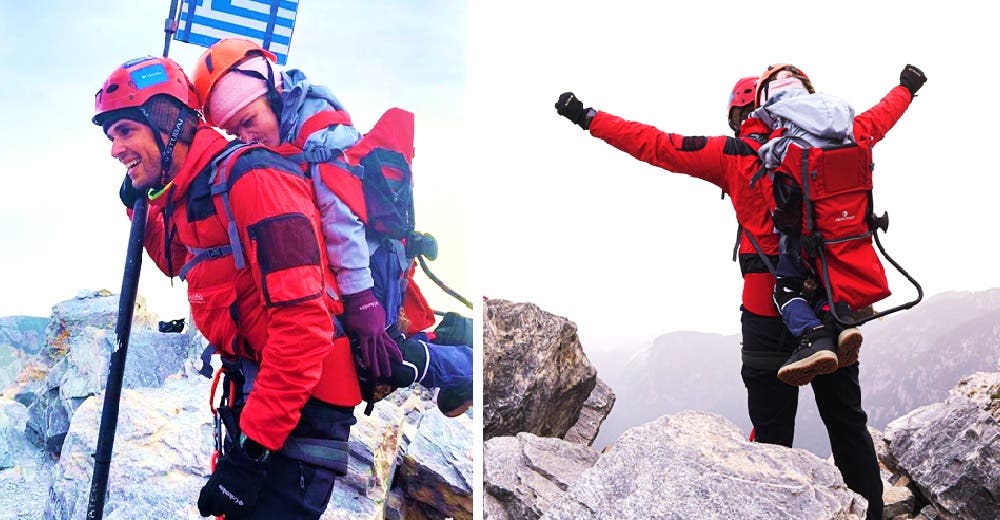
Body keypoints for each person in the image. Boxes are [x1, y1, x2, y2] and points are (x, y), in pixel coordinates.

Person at [553, 63, 925, 520]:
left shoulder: (733, 153)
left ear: (743, 114)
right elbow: (883, 116)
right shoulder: (844, 135)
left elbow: (654, 143)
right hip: (832, 302)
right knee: (846, 419)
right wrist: (907, 86)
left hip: (766, 310)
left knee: (771, 430)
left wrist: (589, 117)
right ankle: (868, 513)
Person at [94, 55, 364, 519]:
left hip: (303, 406)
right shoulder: (195, 192)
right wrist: (140, 208)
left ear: (168, 123)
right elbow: (181, 262)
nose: (115, 149)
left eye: (125, 131)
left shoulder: (254, 179)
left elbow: (305, 327)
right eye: (110, 136)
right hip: (257, 391)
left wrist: (252, 453)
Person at [188, 38, 473, 417]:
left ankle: (470, 369)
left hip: (368, 263)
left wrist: (362, 299)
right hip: (352, 261)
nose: (245, 137)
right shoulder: (287, 131)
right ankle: (450, 337)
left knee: (380, 365)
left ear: (272, 94)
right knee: (367, 354)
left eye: (249, 121)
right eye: (234, 131)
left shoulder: (320, 134)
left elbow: (342, 218)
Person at [748, 65, 927, 387]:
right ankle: (842, 323)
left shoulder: (779, 141)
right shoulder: (851, 128)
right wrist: (907, 88)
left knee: (786, 289)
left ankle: (814, 337)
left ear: (767, 100)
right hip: (851, 234)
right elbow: (884, 115)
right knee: (829, 283)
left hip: (803, 240)